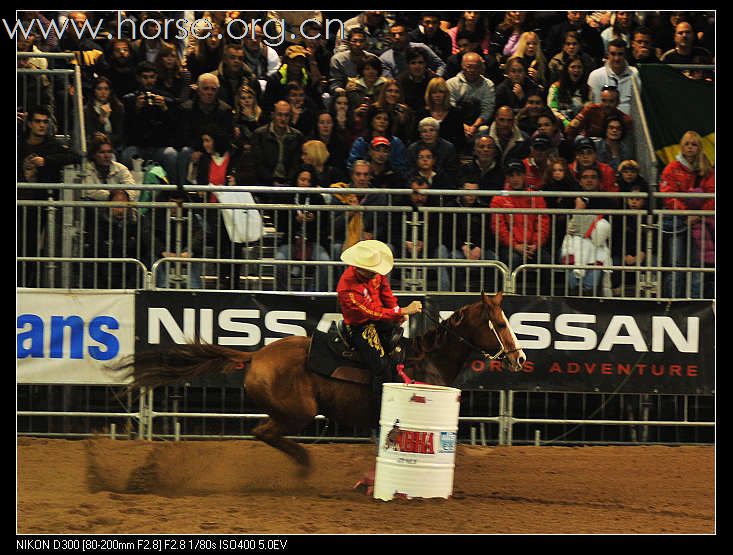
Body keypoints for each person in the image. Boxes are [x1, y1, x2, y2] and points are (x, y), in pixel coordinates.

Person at [336, 239, 423, 427]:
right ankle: (380, 416)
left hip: (381, 319)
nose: (375, 273)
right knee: (381, 365)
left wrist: (396, 310)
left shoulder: (376, 273)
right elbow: (370, 312)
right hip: (360, 326)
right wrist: (401, 312)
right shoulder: (347, 288)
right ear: (359, 268)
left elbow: (386, 294)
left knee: (403, 352)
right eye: (371, 271)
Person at [18, 105, 80, 286]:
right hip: (18, 202)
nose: (42, 125)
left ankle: (25, 285)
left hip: (38, 205)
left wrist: (46, 161)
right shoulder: (19, 143)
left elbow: (75, 156)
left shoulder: (51, 145)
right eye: (38, 121)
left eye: (45, 122)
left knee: (30, 247)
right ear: (29, 123)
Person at [80, 134, 141, 289]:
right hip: (98, 219)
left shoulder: (120, 168)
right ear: (94, 154)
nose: (106, 155)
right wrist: (114, 196)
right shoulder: (87, 169)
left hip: (121, 216)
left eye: (109, 151)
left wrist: (121, 198)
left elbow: (134, 190)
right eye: (102, 152)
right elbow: (88, 191)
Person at [659, 130, 715, 299]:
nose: (690, 147)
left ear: (699, 147)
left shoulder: (707, 169)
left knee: (696, 266)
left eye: (694, 144)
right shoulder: (671, 168)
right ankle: (673, 304)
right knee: (676, 265)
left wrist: (698, 214)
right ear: (681, 147)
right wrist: (686, 213)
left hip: (701, 223)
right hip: (677, 222)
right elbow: (668, 195)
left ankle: (695, 306)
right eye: (687, 144)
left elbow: (712, 195)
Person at [490, 160, 552, 289]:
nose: (515, 179)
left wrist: (535, 244)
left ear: (525, 175)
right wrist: (515, 246)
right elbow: (499, 227)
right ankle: (508, 298)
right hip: (511, 246)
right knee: (512, 260)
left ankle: (546, 300)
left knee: (547, 261)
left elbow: (543, 224)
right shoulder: (499, 199)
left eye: (518, 174)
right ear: (507, 178)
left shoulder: (536, 197)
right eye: (511, 175)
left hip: (533, 246)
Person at [120, 61, 179, 184]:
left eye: (152, 77)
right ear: (138, 78)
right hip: (138, 146)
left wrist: (165, 109)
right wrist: (136, 110)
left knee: (171, 154)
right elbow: (126, 129)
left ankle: (174, 194)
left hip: (159, 146)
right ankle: (128, 192)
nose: (149, 81)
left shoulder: (166, 98)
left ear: (156, 77)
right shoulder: (129, 99)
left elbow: (174, 128)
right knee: (127, 155)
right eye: (145, 77)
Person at [274, 165, 332, 292]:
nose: (305, 183)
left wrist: (314, 220)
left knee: (325, 263)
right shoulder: (287, 197)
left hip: (313, 241)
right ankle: (284, 293)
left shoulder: (318, 198)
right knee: (279, 262)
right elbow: (280, 224)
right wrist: (295, 220)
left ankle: (313, 294)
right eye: (302, 180)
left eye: (308, 181)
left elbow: (325, 225)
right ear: (296, 180)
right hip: (291, 240)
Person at [560, 165, 614, 297]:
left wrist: (579, 223)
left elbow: (601, 234)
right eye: (585, 177)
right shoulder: (570, 199)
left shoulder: (607, 201)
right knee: (574, 285)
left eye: (593, 177)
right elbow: (565, 228)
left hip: (597, 249)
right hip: (572, 246)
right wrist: (579, 211)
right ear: (580, 181)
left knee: (589, 286)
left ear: (599, 181)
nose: (589, 180)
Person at [438, 179, 499, 291]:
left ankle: (490, 295)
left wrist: (479, 247)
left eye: (474, 191)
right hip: (458, 248)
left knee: (494, 260)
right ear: (460, 190)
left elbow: (489, 233)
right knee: (455, 258)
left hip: (480, 248)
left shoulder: (484, 208)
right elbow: (446, 234)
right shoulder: (450, 207)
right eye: (468, 191)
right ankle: (458, 293)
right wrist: (462, 246)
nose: (471, 195)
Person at [177, 73, 234, 185]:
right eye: (206, 88)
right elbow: (183, 137)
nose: (209, 92)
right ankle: (181, 192)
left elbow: (226, 137)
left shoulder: (225, 110)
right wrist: (199, 150)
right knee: (184, 152)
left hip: (217, 150)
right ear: (198, 90)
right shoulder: (185, 109)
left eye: (213, 89)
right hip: (193, 149)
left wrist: (207, 152)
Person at [251, 100, 305, 202]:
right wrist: (272, 181)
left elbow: (296, 164)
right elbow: (258, 163)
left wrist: (288, 182)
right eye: (279, 115)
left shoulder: (297, 136)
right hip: (264, 184)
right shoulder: (259, 134)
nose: (283, 119)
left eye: (286, 115)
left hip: (289, 185)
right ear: (273, 115)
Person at [446, 52, 496, 145]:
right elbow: (450, 108)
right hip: (456, 123)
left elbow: (487, 109)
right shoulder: (451, 83)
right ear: (462, 66)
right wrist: (463, 126)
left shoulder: (488, 85)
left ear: (481, 68)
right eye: (469, 66)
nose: (472, 70)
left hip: (478, 125)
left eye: (476, 67)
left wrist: (474, 126)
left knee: (484, 130)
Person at [347, 106, 408, 178]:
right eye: (378, 118)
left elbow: (401, 167)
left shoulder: (396, 143)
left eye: (386, 119)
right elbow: (352, 165)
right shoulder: (361, 142)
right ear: (371, 121)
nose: (382, 122)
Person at [587, 39, 641, 116]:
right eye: (613, 54)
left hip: (628, 124)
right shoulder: (595, 76)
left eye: (620, 54)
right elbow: (596, 107)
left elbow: (636, 107)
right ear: (607, 55)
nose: (616, 58)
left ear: (625, 55)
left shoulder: (635, 74)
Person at [415, 77, 466, 155]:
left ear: (446, 94)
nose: (437, 95)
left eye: (440, 92)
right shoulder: (422, 113)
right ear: (429, 94)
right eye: (434, 92)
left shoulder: (455, 113)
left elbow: (460, 140)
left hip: (449, 155)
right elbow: (415, 138)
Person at [379, 22, 446, 79]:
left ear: (407, 35)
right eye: (393, 35)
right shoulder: (385, 59)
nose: (397, 37)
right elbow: (390, 83)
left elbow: (441, 65)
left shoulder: (421, 48)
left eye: (401, 34)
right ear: (389, 38)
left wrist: (436, 80)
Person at [565, 85, 632, 141]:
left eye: (611, 101)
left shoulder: (625, 120)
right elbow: (570, 130)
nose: (607, 104)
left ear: (618, 102)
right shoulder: (590, 110)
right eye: (604, 100)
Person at [406, 117, 459, 187]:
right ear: (420, 134)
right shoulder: (412, 149)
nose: (428, 134)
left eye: (431, 130)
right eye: (424, 131)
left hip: (442, 184)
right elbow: (410, 171)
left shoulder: (448, 148)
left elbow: (452, 172)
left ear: (437, 132)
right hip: (417, 184)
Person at [329, 27, 381, 95]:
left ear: (366, 43)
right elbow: (335, 85)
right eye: (354, 41)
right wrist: (344, 91)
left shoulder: (373, 59)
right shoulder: (337, 59)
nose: (358, 44)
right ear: (348, 43)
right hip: (345, 96)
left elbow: (379, 80)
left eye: (361, 41)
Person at [547, 55, 592, 131]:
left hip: (580, 128)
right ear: (567, 69)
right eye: (573, 67)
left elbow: (588, 110)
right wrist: (566, 124)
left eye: (579, 67)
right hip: (560, 127)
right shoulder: (555, 88)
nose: (576, 70)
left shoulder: (588, 89)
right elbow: (553, 109)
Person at [210, 42, 261, 109]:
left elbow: (258, 106)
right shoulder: (213, 79)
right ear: (225, 59)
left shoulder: (251, 79)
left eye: (240, 58)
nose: (236, 61)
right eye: (232, 57)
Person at [83, 76, 125, 155]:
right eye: (99, 89)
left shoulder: (118, 107)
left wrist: (107, 139)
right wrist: (101, 120)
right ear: (94, 91)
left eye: (106, 89)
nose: (103, 92)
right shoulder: (87, 109)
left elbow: (120, 134)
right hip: (94, 146)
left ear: (110, 91)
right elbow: (90, 134)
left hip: (115, 145)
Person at [396, 47, 438, 114]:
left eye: (420, 62)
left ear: (425, 64)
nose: (417, 66)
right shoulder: (400, 81)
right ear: (408, 65)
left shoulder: (434, 80)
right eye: (413, 63)